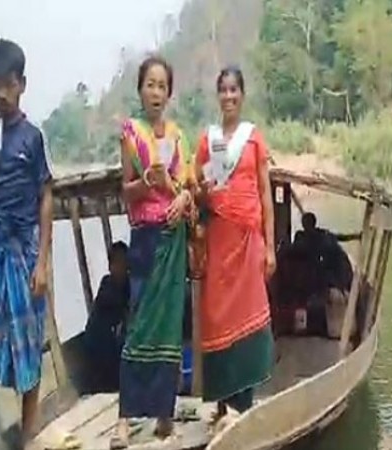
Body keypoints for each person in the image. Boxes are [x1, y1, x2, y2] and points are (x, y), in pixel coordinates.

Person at [0, 39, 53, 449]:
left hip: (24, 251)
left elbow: (46, 196)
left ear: (22, 84)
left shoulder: (33, 138)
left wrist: (43, 263)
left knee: (28, 341)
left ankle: (29, 432)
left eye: (8, 84)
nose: (0, 93)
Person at [113, 56, 195, 448]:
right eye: (150, 84)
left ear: (170, 92)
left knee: (168, 328)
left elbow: (189, 186)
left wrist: (184, 198)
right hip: (145, 238)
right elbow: (125, 190)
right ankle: (125, 420)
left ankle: (164, 415)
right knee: (140, 324)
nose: (156, 92)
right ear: (141, 90)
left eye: (163, 85)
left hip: (173, 239)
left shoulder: (179, 137)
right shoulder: (131, 134)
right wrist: (146, 182)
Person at [195, 66, 275, 428]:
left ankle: (244, 405)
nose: (228, 96)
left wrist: (270, 247)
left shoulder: (253, 138)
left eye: (234, 90)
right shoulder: (206, 140)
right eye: (223, 90)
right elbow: (197, 186)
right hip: (218, 240)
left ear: (242, 95)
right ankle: (223, 405)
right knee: (216, 317)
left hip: (247, 240)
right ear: (218, 96)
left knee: (247, 315)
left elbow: (265, 195)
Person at [82, 241, 130, 393]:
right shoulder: (107, 285)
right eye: (118, 264)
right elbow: (119, 304)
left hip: (111, 346)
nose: (121, 269)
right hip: (100, 348)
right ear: (110, 266)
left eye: (125, 264)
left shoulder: (126, 284)